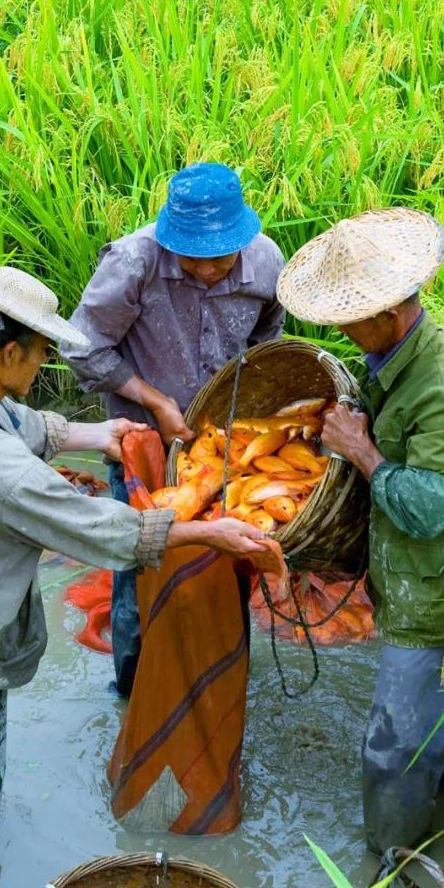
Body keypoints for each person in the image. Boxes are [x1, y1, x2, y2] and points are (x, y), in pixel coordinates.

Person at [0, 256, 267, 888]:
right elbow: (101, 532)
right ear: (12, 353)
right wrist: (209, 535)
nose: (42, 368)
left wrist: (94, 433)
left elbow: (16, 423)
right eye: (41, 355)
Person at [277, 209, 444, 854]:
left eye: (346, 321)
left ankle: (389, 866)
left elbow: (429, 509)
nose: (340, 332)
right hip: (423, 571)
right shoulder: (396, 354)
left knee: (396, 745)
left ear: (388, 312)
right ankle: (442, 801)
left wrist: (362, 452)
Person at [61, 162, 284, 696]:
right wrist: (154, 400)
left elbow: (266, 343)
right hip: (140, 441)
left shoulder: (266, 261)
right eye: (193, 258)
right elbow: (80, 345)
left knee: (230, 557)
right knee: (137, 562)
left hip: (222, 444)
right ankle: (135, 689)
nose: (208, 271)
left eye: (220, 259)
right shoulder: (134, 261)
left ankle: (223, 679)